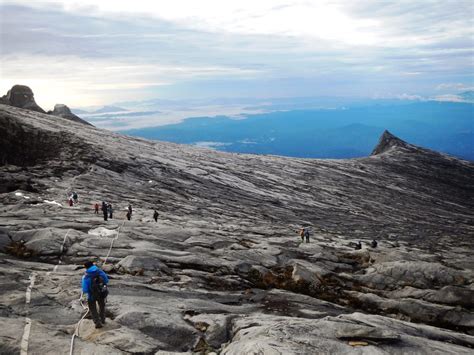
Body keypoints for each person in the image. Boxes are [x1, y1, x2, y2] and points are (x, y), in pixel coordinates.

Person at [81, 261, 109, 328]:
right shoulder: (100, 271)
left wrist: (84, 298)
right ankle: (103, 320)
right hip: (101, 293)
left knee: (93, 309)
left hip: (91, 295)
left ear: (86, 267)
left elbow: (85, 289)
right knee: (102, 306)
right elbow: (106, 280)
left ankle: (97, 322)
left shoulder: (86, 276)